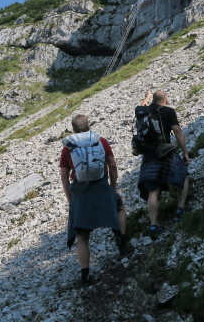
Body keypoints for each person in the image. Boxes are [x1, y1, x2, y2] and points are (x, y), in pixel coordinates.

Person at [60, 114, 133, 286]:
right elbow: (112, 165)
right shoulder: (100, 141)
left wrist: (70, 199)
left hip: (80, 192)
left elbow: (64, 176)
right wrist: (113, 188)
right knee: (119, 208)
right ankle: (122, 244)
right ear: (88, 126)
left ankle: (85, 276)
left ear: (73, 129)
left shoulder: (68, 148)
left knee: (83, 235)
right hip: (101, 186)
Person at [137, 89, 190, 237]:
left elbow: (141, 106)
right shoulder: (168, 111)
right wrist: (185, 152)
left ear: (153, 101)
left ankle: (154, 225)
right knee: (183, 175)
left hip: (148, 154)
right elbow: (177, 131)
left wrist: (146, 98)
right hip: (165, 151)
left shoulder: (143, 111)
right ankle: (180, 208)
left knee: (153, 189)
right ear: (166, 100)